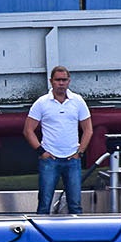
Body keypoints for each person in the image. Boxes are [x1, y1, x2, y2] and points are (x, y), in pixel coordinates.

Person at [23, 66, 93, 214]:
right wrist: (42, 152)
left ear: (69, 81)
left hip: (72, 159)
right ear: (51, 81)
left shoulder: (78, 101)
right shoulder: (41, 103)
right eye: (58, 80)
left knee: (75, 205)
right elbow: (28, 130)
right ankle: (40, 235)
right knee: (44, 204)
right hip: (49, 160)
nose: (61, 83)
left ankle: (76, 235)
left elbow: (88, 129)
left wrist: (79, 152)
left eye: (64, 80)